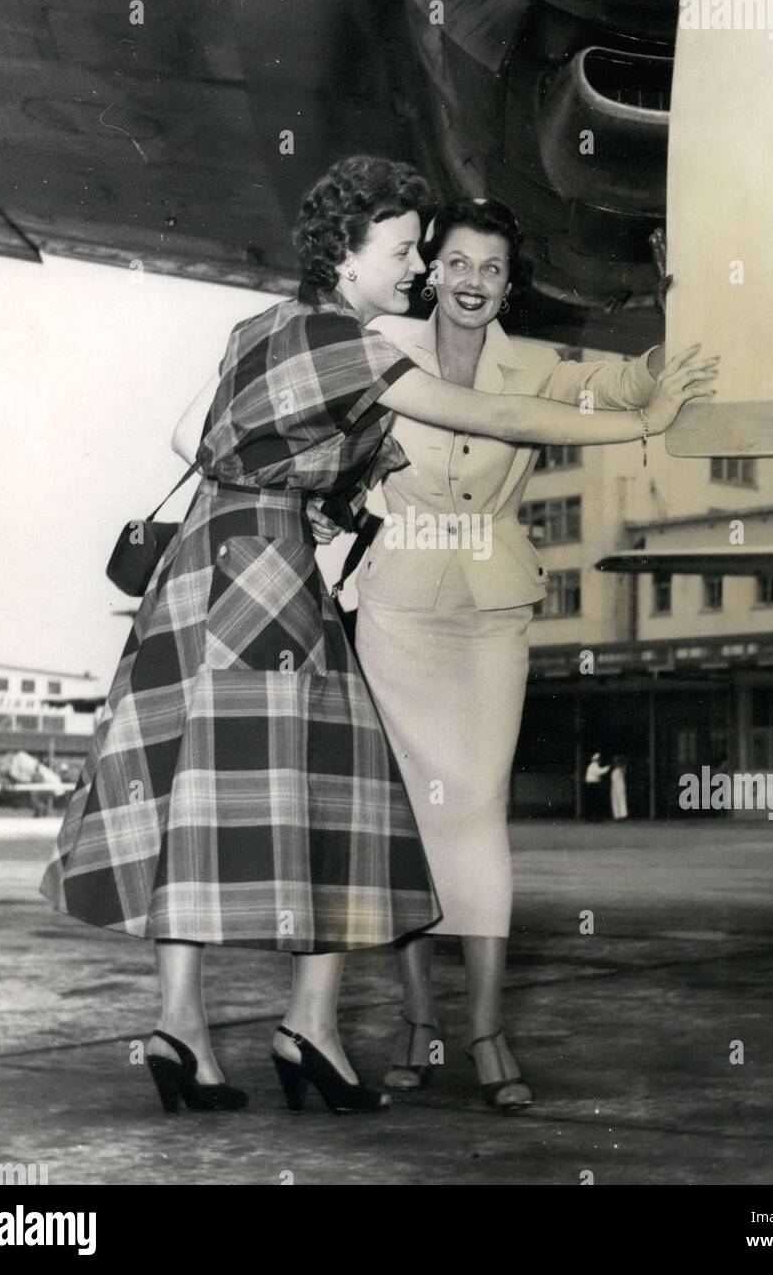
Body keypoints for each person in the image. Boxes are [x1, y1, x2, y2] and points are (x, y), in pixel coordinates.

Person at [41, 158, 715, 1119]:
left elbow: (188, 435)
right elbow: (492, 412)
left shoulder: (258, 328)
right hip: (266, 580)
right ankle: (306, 1027)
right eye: (401, 252)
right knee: (342, 793)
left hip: (206, 566)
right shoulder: (343, 342)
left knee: (191, 797)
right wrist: (646, 418)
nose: (416, 270)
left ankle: (182, 1027)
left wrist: (284, 480)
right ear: (347, 257)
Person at [344, 197, 716, 1111]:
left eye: (494, 271)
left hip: (494, 603)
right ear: (433, 269)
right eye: (459, 265)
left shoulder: (541, 365)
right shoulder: (379, 342)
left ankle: (486, 1025)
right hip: (395, 601)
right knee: (412, 813)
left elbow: (640, 383)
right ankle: (418, 1018)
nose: (474, 284)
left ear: (512, 285)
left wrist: (686, 298)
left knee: (478, 807)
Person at [584, 753, 607, 823]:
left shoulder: (592, 766)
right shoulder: (594, 765)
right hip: (593, 785)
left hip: (591, 785)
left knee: (592, 802)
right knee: (595, 802)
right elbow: (600, 772)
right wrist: (607, 768)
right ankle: (595, 818)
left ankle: (591, 818)